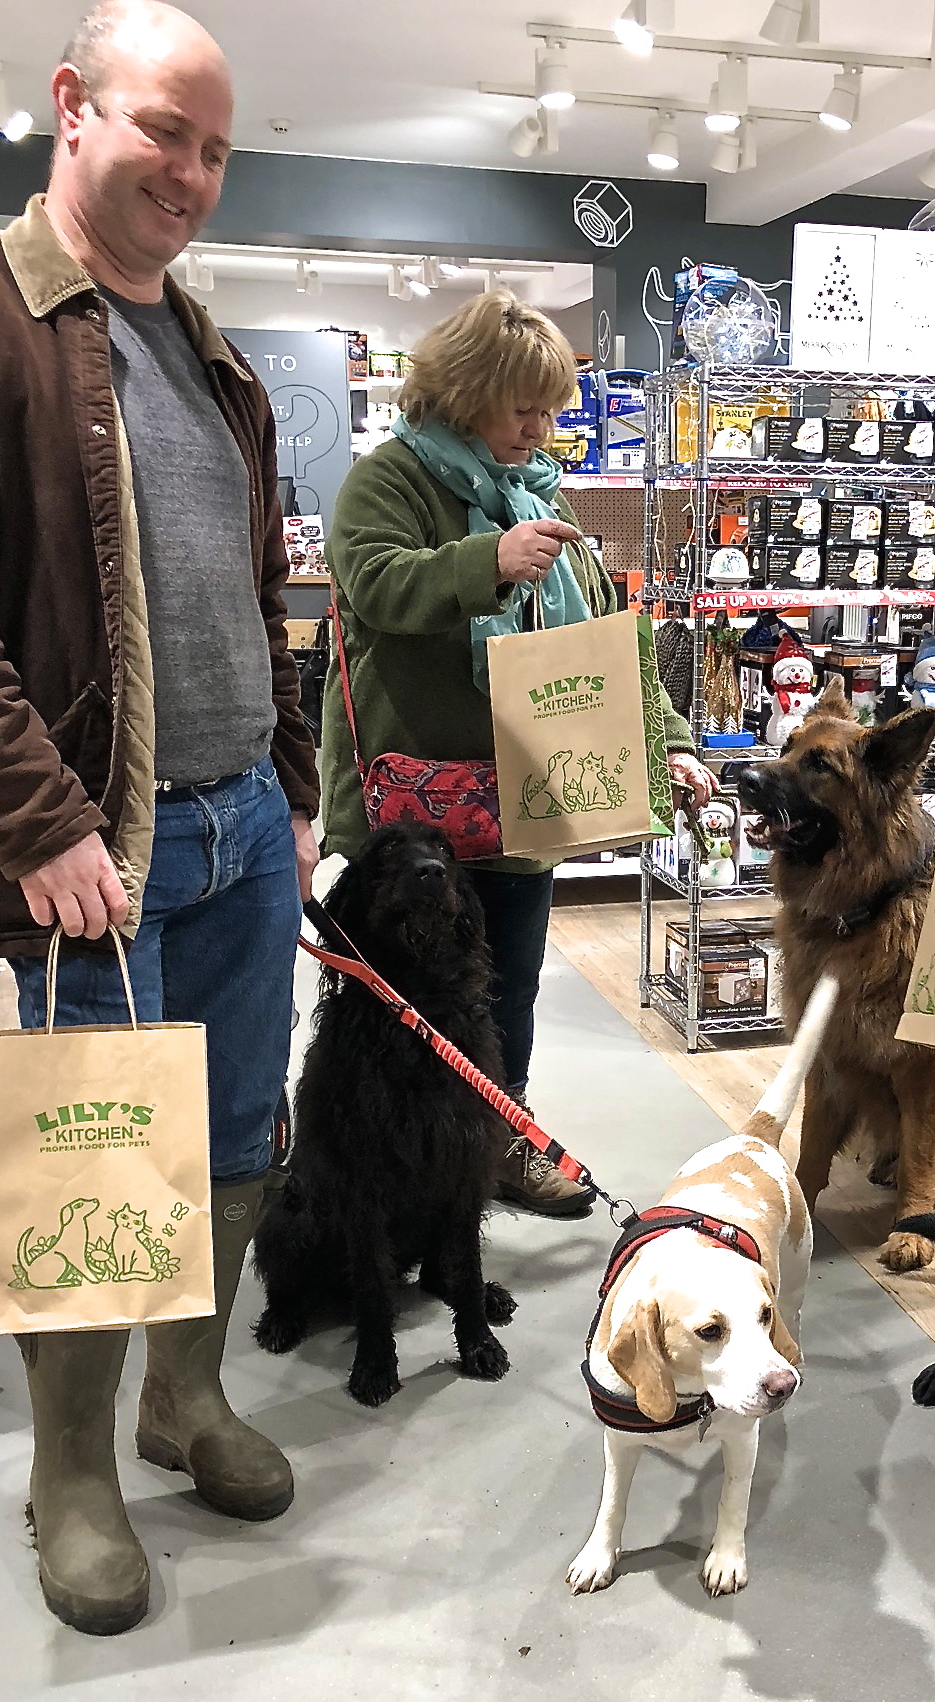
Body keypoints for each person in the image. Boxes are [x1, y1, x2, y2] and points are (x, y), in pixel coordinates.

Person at [0, 2, 320, 1635]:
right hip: (88, 856)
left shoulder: (215, 357)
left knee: (228, 1150)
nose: (194, 171)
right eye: (167, 129)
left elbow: (255, 598)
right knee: (90, 1162)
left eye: (217, 147)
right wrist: (37, 822)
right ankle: (69, 1474)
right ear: (70, 108)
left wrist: (291, 796)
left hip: (236, 838)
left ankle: (185, 1399)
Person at [322, 291, 713, 1214]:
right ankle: (391, 1160)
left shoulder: (542, 491)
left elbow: (602, 647)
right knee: (398, 1002)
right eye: (522, 407)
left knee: (508, 985)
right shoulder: (390, 479)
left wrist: (673, 747)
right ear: (464, 391)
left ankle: (500, 1138)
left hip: (526, 792)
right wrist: (486, 562)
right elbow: (373, 584)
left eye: (550, 409)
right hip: (417, 813)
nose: (541, 428)